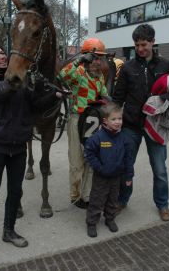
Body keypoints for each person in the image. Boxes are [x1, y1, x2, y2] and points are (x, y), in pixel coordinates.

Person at [0, 44, 62, 259]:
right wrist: (20, 71)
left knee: (15, 192)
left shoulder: (20, 82)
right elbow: (3, 91)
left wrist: (56, 95)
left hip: (18, 148)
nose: (2, 56)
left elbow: (35, 106)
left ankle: (9, 230)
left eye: (2, 53)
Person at [113, 24, 169, 222]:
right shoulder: (127, 67)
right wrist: (110, 120)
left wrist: (164, 98)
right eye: (137, 45)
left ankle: (163, 204)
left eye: (144, 44)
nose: (140, 49)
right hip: (131, 125)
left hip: (156, 125)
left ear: (153, 42)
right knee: (126, 166)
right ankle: (122, 200)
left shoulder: (166, 65)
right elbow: (118, 97)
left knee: (159, 169)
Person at [58, 38, 108, 209]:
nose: (97, 62)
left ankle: (85, 195)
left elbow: (103, 94)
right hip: (77, 119)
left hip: (93, 121)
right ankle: (75, 195)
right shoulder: (78, 72)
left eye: (100, 58)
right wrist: (79, 60)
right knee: (76, 161)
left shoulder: (100, 76)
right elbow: (62, 76)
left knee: (90, 159)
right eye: (94, 57)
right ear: (86, 57)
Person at [84, 102, 134, 237]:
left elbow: (129, 159)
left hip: (116, 177)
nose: (118, 122)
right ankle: (91, 222)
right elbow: (89, 154)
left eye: (120, 118)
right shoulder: (97, 138)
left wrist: (129, 176)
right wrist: (99, 168)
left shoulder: (125, 138)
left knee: (113, 200)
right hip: (101, 176)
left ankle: (110, 219)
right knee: (97, 199)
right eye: (114, 119)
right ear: (105, 121)